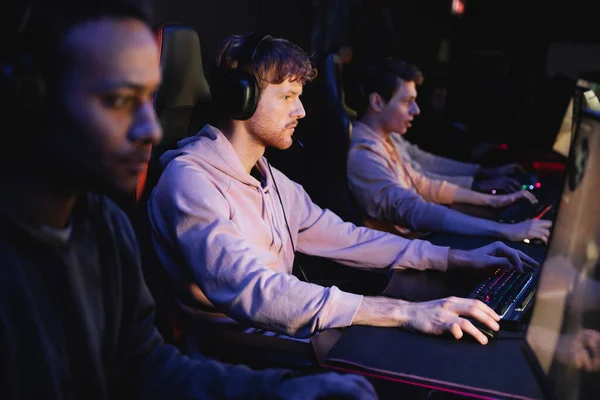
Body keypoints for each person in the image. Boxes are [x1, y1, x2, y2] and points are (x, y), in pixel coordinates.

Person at [0, 1, 379, 399]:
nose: (150, 128)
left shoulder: (104, 226)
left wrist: (288, 392)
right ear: (29, 100)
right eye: (118, 101)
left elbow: (147, 369)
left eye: (149, 99)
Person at [147, 32, 540, 350]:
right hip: (238, 347)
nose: (300, 112)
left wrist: (454, 258)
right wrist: (404, 313)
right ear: (241, 99)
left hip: (287, 328)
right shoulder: (190, 181)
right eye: (287, 97)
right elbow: (255, 291)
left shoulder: (269, 178)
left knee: (436, 318)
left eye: (299, 98)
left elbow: (349, 239)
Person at [347, 57, 552, 242]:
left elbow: (424, 185)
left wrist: (493, 200)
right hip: (402, 260)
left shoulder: (385, 139)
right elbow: (413, 209)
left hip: (418, 244)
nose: (416, 110)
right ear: (376, 102)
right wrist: (503, 230)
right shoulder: (363, 153)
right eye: (407, 101)